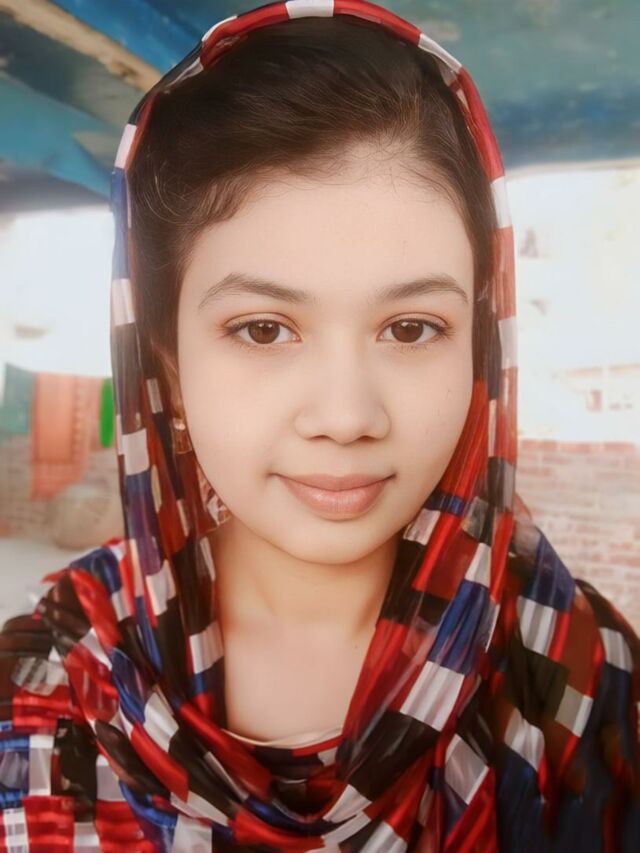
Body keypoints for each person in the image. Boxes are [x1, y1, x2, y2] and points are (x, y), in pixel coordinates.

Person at [0, 1, 638, 850]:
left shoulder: (570, 664)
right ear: (168, 365)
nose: (345, 417)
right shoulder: (47, 685)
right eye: (264, 328)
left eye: (411, 327)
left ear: (481, 350)